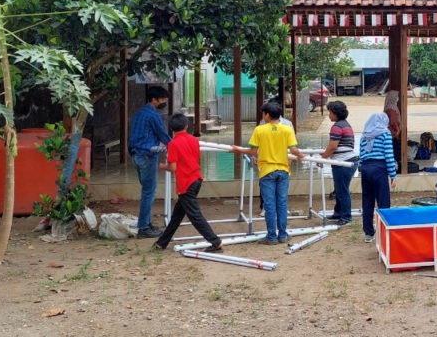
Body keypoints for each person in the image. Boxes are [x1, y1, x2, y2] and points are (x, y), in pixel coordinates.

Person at [231, 101, 305, 245]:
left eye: (263, 113)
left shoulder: (260, 130)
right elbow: (294, 150)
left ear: (268, 115)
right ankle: (283, 235)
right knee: (282, 203)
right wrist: (303, 156)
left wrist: (237, 149)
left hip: (266, 172)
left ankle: (271, 236)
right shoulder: (287, 129)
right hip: (283, 171)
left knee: (269, 205)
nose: (263, 116)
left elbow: (252, 151)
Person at [152, 114, 223, 252]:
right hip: (196, 179)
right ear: (186, 126)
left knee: (195, 216)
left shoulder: (173, 144)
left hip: (186, 183)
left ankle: (216, 242)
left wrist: (162, 167)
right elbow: (196, 158)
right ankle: (161, 243)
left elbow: (173, 168)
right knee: (177, 216)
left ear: (171, 128)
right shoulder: (194, 140)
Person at [128, 85, 172, 238]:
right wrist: (178, 145)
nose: (165, 101)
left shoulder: (138, 113)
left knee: (146, 191)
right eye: (163, 99)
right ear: (154, 99)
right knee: (148, 192)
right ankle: (144, 227)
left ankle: (146, 223)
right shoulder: (154, 116)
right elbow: (163, 136)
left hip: (136, 155)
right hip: (147, 156)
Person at [359, 112, 397, 243]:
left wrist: (361, 170)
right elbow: (389, 155)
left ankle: (368, 233)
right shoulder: (385, 134)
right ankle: (384, 231)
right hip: (379, 169)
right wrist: (393, 175)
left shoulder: (364, 135)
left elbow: (361, 155)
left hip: (365, 168)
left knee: (367, 202)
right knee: (383, 201)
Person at [320, 101, 356, 226]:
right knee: (340, 189)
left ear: (335, 113)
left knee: (342, 191)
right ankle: (338, 212)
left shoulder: (337, 126)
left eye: (330, 112)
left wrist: (323, 158)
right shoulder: (345, 124)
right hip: (348, 160)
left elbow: (332, 146)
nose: (329, 115)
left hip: (343, 162)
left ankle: (346, 217)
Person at [383, 89, 402, 170]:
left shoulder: (388, 106)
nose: (397, 98)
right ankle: (394, 168)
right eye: (396, 97)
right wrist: (397, 131)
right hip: (392, 133)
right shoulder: (392, 108)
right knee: (394, 151)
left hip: (389, 132)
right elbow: (393, 121)